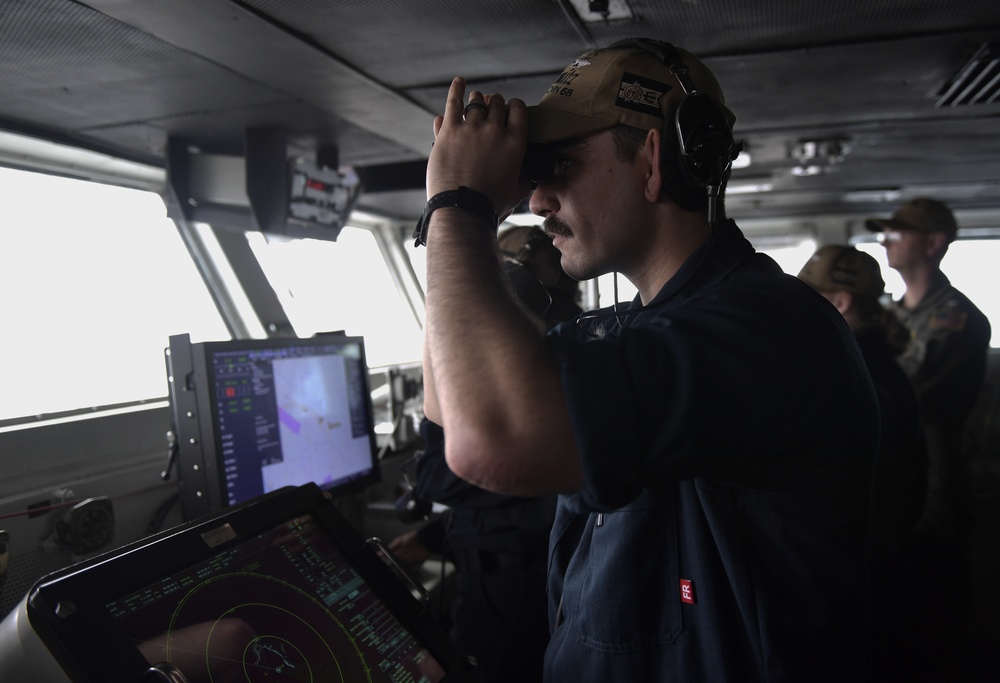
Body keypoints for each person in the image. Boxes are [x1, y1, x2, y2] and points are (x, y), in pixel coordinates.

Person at [418, 37, 880, 681]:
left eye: (558, 166)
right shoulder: (636, 327)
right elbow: (451, 413)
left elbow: (491, 438)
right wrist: (463, 212)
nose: (536, 200)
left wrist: (459, 209)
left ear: (653, 162)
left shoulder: (769, 329)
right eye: (534, 172)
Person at [390, 225, 581, 683]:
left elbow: (444, 473)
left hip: (506, 592)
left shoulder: (509, 356)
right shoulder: (576, 338)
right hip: (549, 573)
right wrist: (433, 540)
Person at [866, 197, 992, 679]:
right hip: (892, 485)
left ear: (934, 243)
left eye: (898, 233)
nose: (886, 241)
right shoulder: (889, 317)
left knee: (932, 620)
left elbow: (917, 401)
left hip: (935, 486)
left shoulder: (957, 320)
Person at [797, 245, 928, 678]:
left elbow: (878, 499)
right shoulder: (872, 361)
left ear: (840, 302)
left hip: (869, 575)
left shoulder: (854, 371)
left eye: (808, 298)